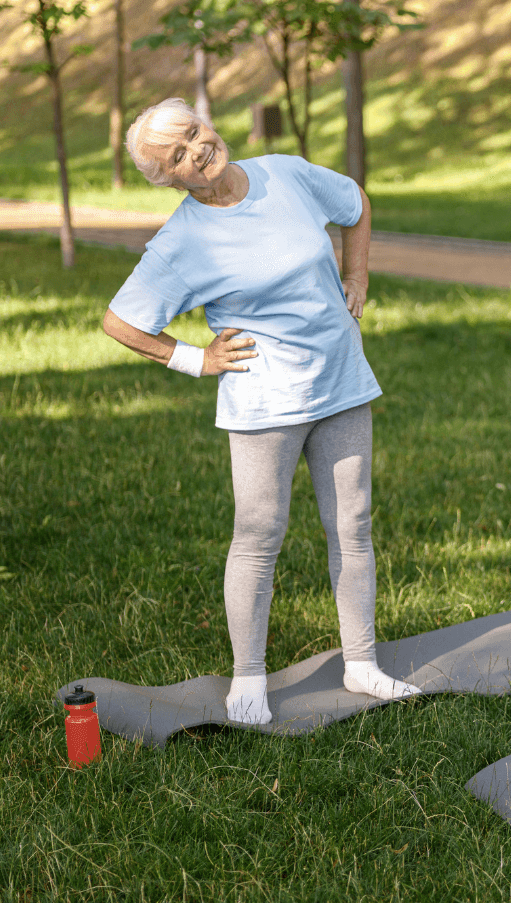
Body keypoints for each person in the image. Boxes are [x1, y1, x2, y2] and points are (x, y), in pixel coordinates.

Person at [101, 98, 420, 725]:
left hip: (340, 381)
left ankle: (362, 664)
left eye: (194, 132)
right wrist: (196, 359)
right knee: (258, 536)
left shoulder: (286, 172)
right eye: (177, 156)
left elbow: (354, 203)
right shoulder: (182, 242)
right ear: (169, 179)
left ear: (207, 122)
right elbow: (121, 321)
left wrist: (356, 274)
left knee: (352, 527)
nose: (197, 150)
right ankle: (248, 677)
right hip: (263, 402)